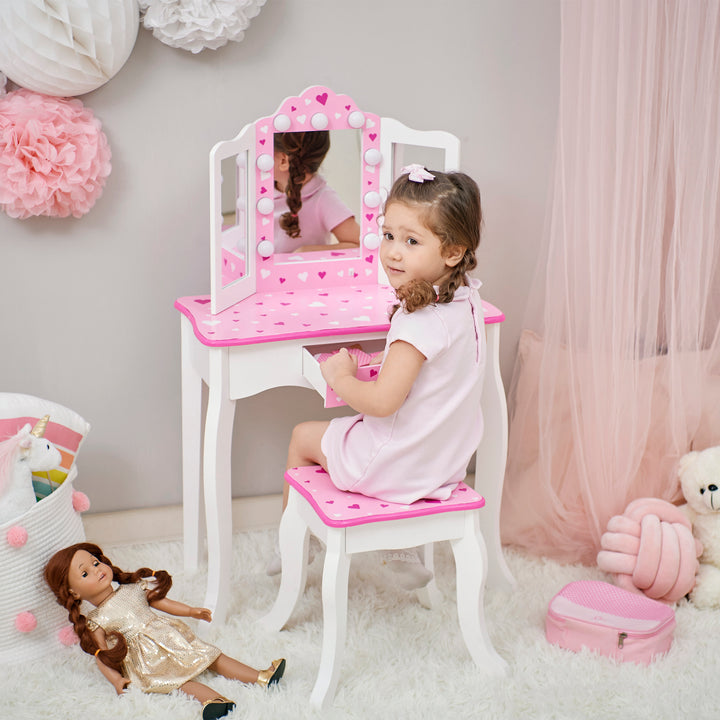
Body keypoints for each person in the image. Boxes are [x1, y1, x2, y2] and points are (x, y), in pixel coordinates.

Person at [268, 165, 486, 589]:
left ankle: (293, 543)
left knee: (302, 436)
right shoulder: (467, 301)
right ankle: (396, 545)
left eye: (411, 241)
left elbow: (383, 403)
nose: (393, 252)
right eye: (388, 236)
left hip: (394, 463)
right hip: (441, 463)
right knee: (361, 431)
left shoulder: (418, 322)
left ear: (453, 252)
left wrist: (342, 376)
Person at [45, 543, 285, 720]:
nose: (97, 570)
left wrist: (190, 611)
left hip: (170, 635)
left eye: (95, 563)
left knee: (210, 655)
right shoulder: (96, 620)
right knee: (175, 680)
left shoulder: (132, 589)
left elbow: (161, 602)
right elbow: (102, 654)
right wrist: (117, 680)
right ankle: (213, 700)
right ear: (74, 593)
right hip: (145, 657)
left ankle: (260, 677)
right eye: (85, 573)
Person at [273, 130, 360, 253]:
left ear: (283, 160)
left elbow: (359, 244)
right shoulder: (259, 192)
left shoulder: (323, 198)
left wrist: (306, 252)